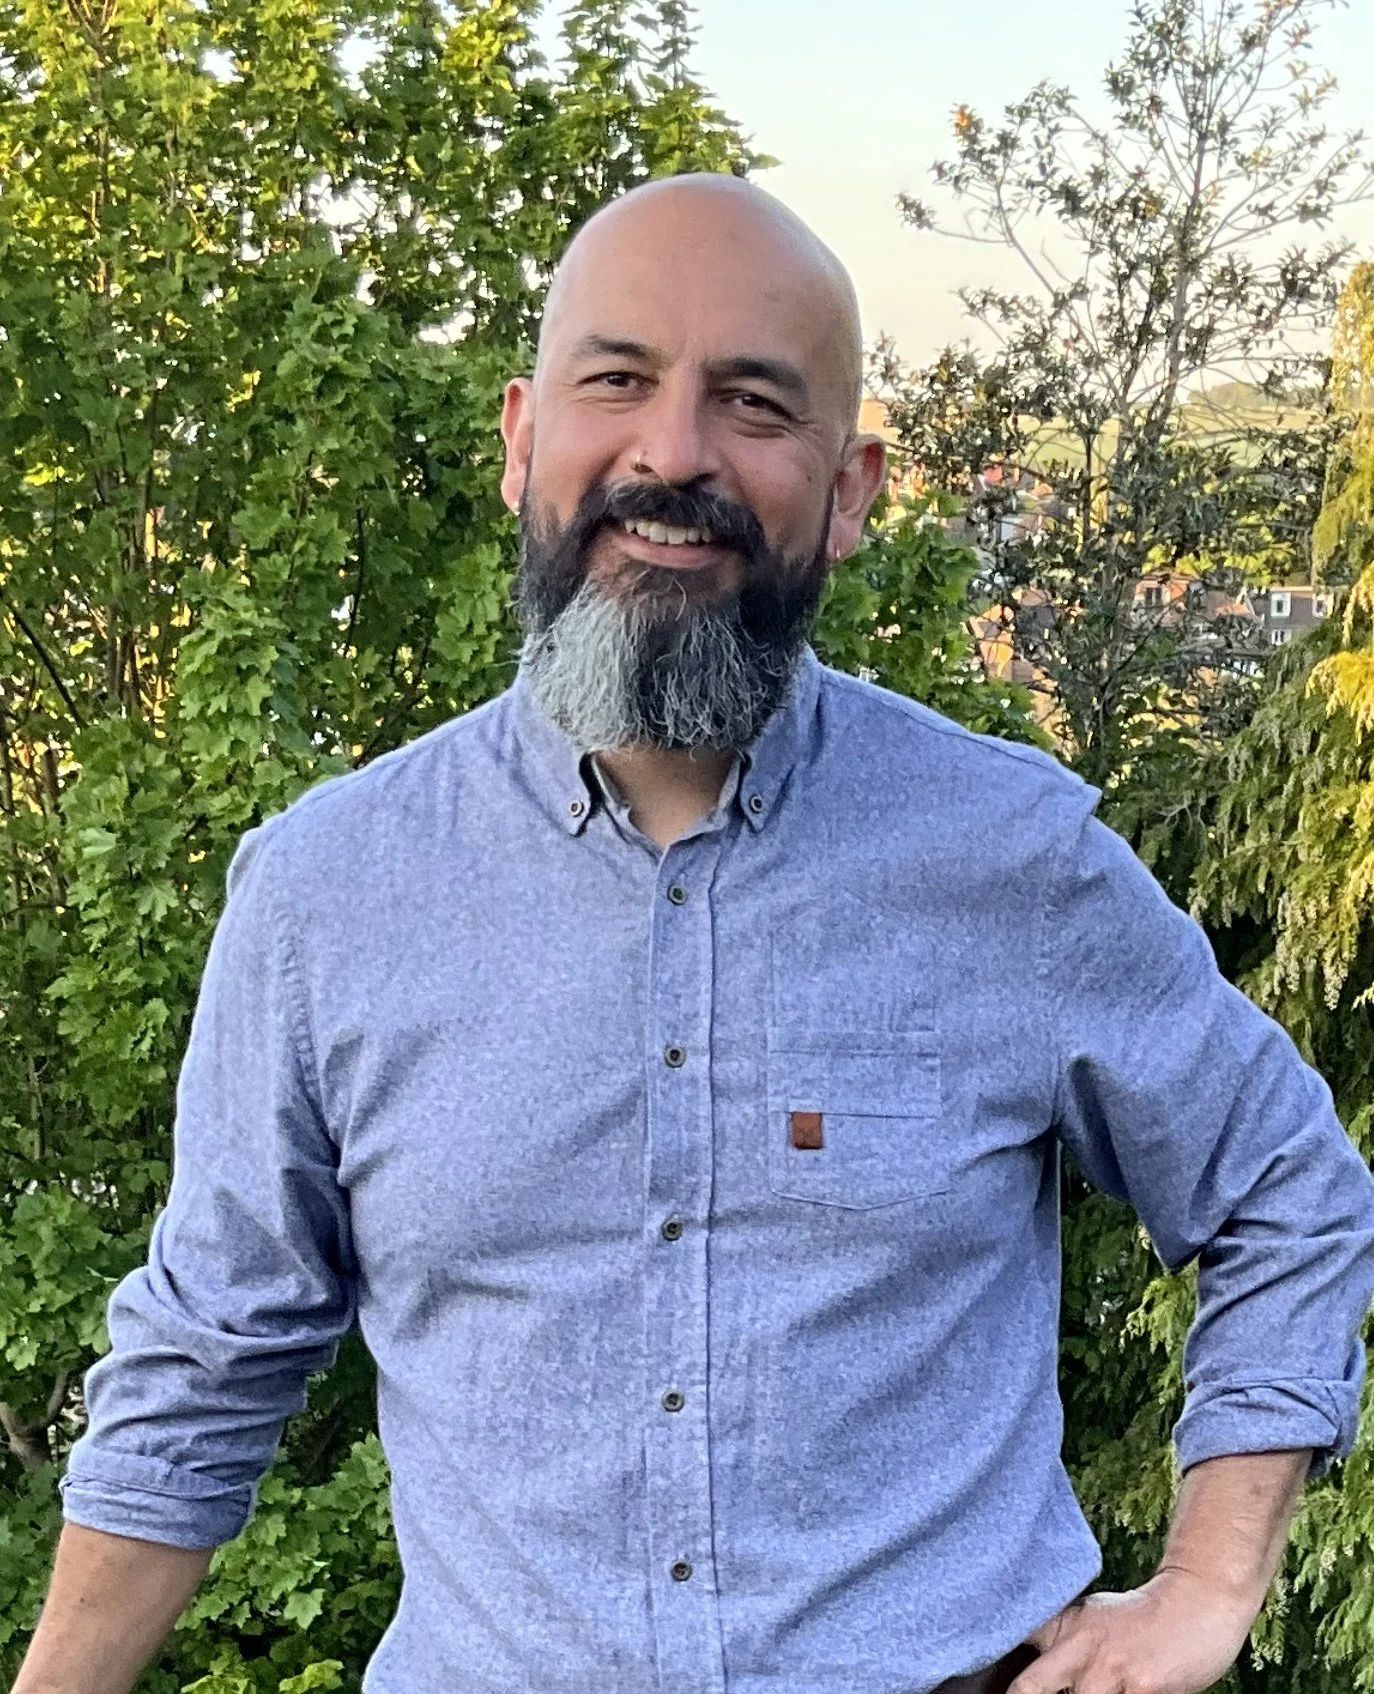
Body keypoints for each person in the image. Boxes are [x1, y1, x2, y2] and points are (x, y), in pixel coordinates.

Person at [15, 173, 1374, 1694]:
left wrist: (1206, 1582)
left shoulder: (1011, 856)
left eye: (752, 401)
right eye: (617, 380)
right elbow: (207, 1361)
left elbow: (1286, 1187)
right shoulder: (326, 893)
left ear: (849, 491)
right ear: (522, 437)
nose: (671, 452)